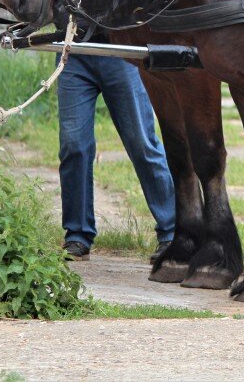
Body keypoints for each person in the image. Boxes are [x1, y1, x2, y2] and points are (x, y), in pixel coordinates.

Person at [56, 47, 175, 263]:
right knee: (73, 146)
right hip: (73, 52)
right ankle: (77, 234)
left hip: (120, 53)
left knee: (141, 144)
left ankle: (172, 232)